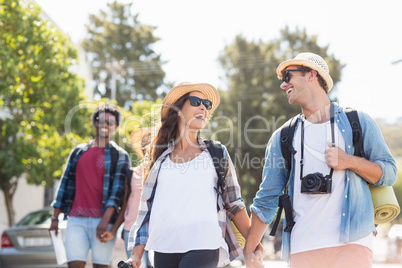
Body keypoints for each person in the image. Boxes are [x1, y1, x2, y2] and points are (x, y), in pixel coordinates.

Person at [243, 52, 398, 268]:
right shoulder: (283, 136)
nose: (283, 85)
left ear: (311, 75)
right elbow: (267, 197)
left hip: (352, 244)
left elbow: (389, 173)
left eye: (288, 76)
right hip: (302, 247)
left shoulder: (358, 122)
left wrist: (349, 161)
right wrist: (250, 247)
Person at [125, 82, 263, 268]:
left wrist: (253, 242)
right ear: (178, 109)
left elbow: (234, 204)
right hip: (163, 247)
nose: (203, 108)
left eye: (207, 105)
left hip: (204, 244)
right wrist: (135, 256)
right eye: (196, 101)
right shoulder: (159, 159)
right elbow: (146, 211)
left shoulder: (216, 153)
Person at [49, 103, 131, 268]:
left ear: (116, 127)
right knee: (74, 265)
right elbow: (64, 184)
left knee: (101, 265)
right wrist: (55, 217)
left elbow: (117, 193)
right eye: (102, 120)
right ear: (95, 122)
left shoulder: (120, 156)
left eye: (110, 122)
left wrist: (105, 220)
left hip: (103, 221)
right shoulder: (78, 152)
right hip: (75, 220)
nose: (105, 125)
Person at [101, 128, 153, 268]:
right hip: (132, 230)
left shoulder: (164, 171)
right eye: (145, 143)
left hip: (155, 230)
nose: (148, 146)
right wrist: (115, 230)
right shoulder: (132, 173)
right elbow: (125, 204)